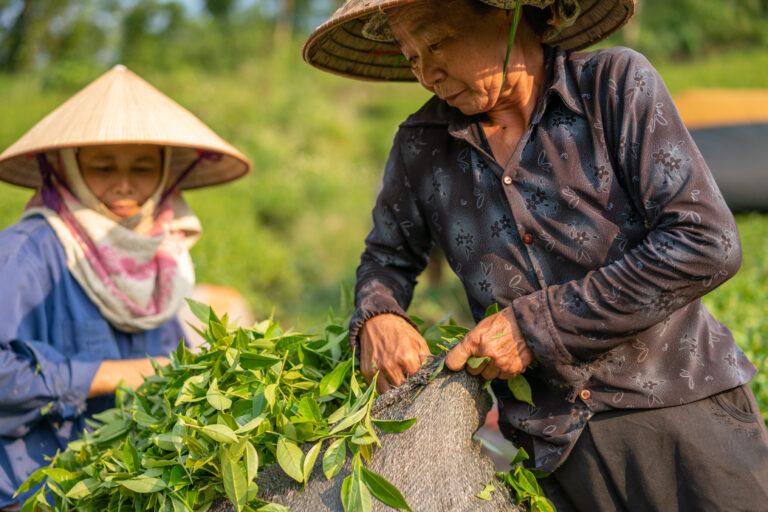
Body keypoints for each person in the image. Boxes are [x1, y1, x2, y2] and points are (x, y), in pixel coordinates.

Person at [302, 0, 768, 509]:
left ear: (508, 12)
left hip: (686, 416)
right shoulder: (422, 146)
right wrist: (379, 316)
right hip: (556, 456)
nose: (427, 73)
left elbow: (706, 242)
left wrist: (532, 326)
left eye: (436, 43)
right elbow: (385, 259)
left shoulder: (612, 86)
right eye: (411, 56)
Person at [0, 65, 251, 510]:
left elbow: (168, 374)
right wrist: (119, 374)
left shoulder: (162, 257)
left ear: (164, 174)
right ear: (68, 169)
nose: (124, 184)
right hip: (38, 495)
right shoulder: (28, 251)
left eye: (142, 166)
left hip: (128, 491)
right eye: (101, 166)